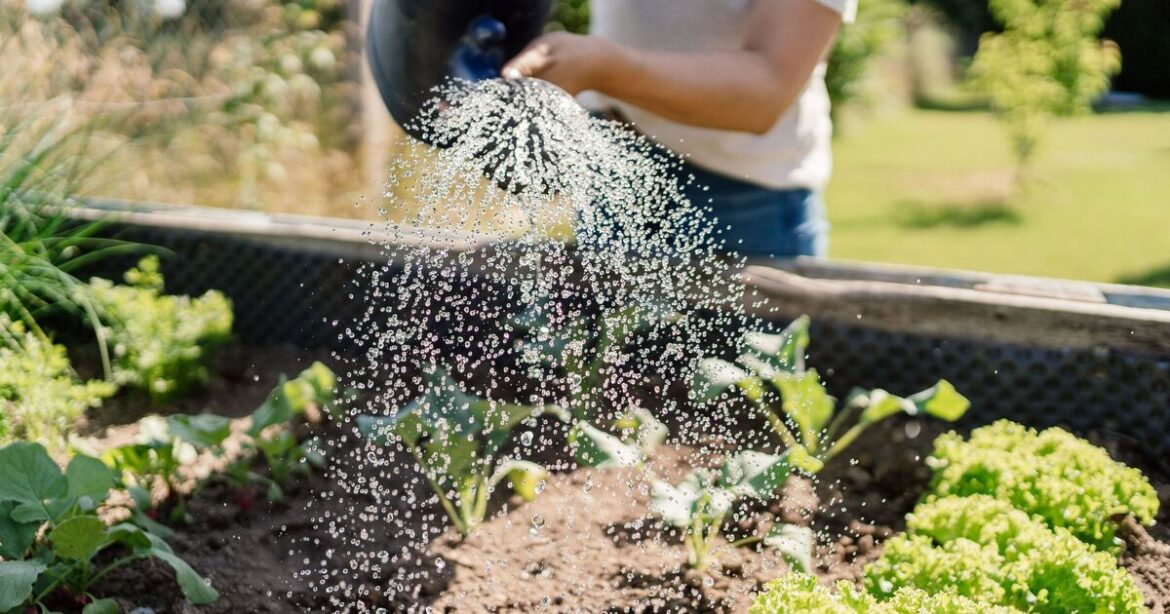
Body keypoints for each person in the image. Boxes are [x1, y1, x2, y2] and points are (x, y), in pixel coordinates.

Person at [501, 0, 857, 259]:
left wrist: (599, 68)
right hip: (612, 170)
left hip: (736, 204)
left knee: (746, 364)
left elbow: (766, 92)